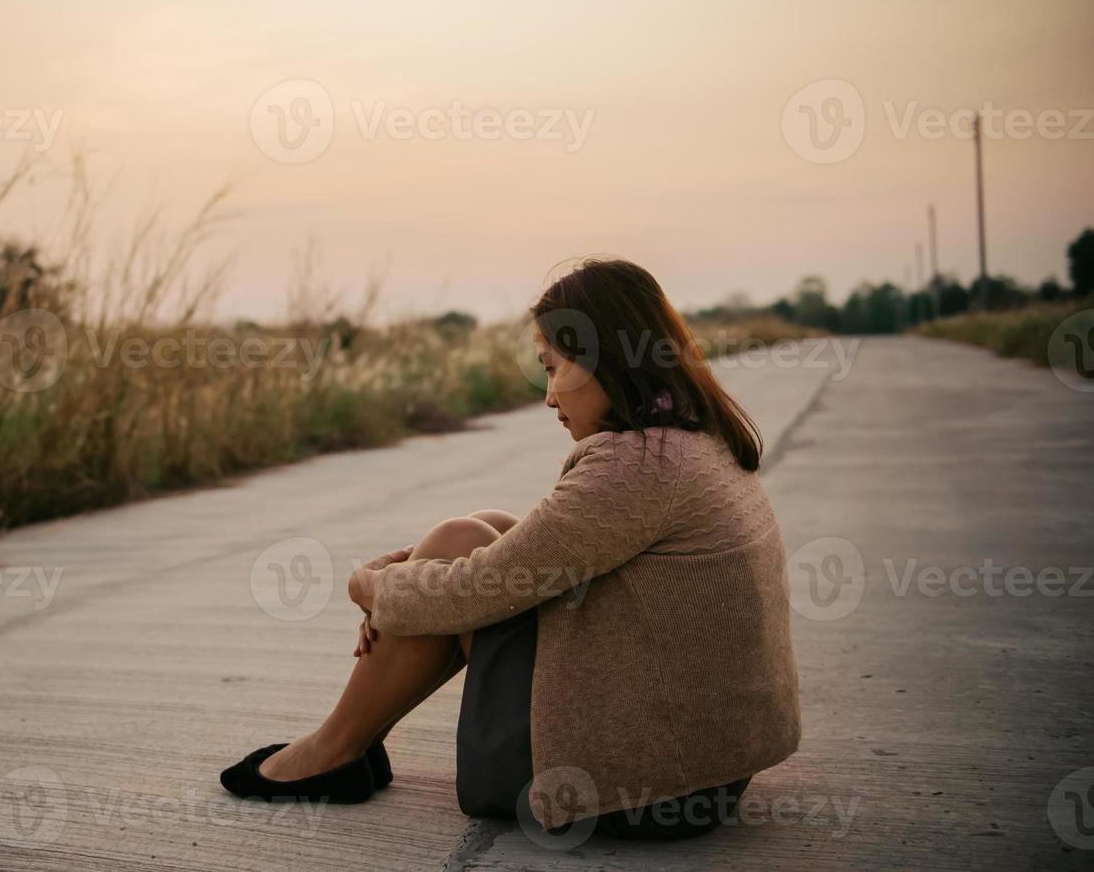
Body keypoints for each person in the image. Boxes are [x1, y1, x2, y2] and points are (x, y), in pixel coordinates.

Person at [220, 257, 801, 838]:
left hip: (638, 784)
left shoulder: (637, 465)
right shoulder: (695, 441)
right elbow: (522, 564)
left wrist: (371, 586)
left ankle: (332, 751)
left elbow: (473, 589)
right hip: (705, 766)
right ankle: (349, 744)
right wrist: (412, 584)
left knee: (456, 551)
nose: (550, 397)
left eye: (554, 368)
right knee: (483, 530)